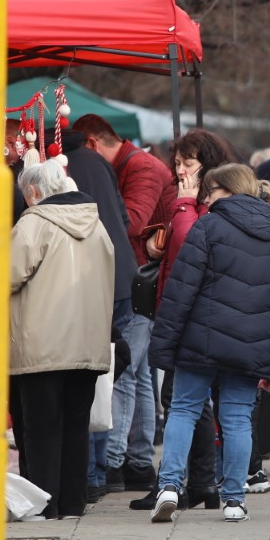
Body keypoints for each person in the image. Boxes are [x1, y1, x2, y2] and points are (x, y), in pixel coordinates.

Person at [147, 164, 270, 522]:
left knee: (184, 409)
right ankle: (234, 499)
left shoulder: (208, 227)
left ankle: (169, 485)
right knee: (237, 418)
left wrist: (165, 344)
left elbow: (180, 291)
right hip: (252, 344)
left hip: (201, 340)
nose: (206, 198)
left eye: (211, 192)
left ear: (228, 191)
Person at [129, 128, 242, 511]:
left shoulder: (207, 203)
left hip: (195, 314)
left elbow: (191, 241)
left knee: (182, 398)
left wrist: (182, 207)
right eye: (177, 163)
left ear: (207, 167)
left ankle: (185, 482)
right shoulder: (192, 199)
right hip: (182, 308)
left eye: (187, 164)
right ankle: (202, 483)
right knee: (189, 399)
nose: (180, 172)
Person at [73, 114, 175, 494]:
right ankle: (137, 460)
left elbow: (130, 221)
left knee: (125, 373)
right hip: (140, 279)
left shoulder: (143, 168)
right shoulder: (131, 165)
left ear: (92, 145)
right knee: (140, 374)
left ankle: (114, 462)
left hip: (138, 282)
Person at [9, 159, 115, 519]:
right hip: (88, 345)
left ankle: (45, 505)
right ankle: (73, 501)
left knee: (41, 430)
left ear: (34, 192)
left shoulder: (34, 224)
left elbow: (5, 276)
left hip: (43, 344)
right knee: (75, 427)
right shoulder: (97, 224)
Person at [46, 130, 139, 501]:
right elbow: (125, 218)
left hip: (84, 284)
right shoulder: (100, 163)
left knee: (85, 372)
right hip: (121, 277)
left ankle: (91, 473)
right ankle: (104, 467)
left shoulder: (57, 173)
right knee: (112, 372)